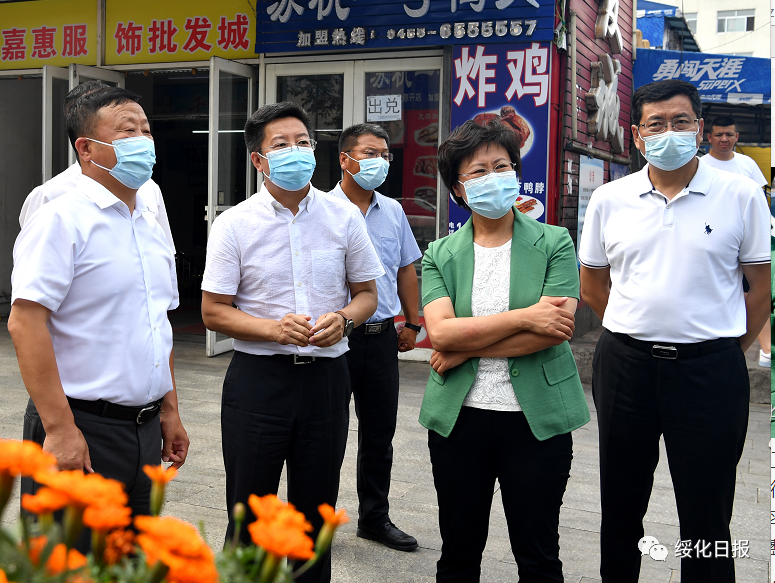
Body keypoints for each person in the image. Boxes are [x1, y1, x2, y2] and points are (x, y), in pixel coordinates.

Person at [579, 80, 770, 582]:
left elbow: (759, 289)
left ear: (700, 129)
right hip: (626, 367)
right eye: (656, 124)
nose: (669, 132)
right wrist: (635, 326)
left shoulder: (741, 195)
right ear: (637, 135)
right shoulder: (610, 199)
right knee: (620, 502)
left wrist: (723, 347)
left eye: (680, 121)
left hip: (710, 372)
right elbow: (593, 285)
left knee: (707, 511)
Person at [200, 102, 384, 583]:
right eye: (280, 144)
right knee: (249, 514)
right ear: (258, 159)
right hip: (259, 384)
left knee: (313, 517)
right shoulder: (234, 223)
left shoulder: (343, 217)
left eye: (302, 142)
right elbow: (213, 310)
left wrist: (344, 320)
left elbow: (367, 295)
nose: (295, 151)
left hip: (326, 381)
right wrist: (272, 329)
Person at [9, 87, 189, 544]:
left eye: (146, 131)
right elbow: (25, 322)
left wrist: (169, 411)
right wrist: (60, 429)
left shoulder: (148, 219)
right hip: (82, 427)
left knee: (129, 560)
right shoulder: (59, 218)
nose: (143, 141)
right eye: (127, 132)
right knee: (70, 563)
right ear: (86, 149)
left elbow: (157, 323)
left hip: (144, 430)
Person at [421, 119, 589, 582]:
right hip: (460, 420)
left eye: (502, 166)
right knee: (458, 553)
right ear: (458, 188)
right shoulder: (439, 254)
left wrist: (469, 346)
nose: (493, 177)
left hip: (536, 421)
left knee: (538, 555)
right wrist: (524, 317)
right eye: (478, 171)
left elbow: (555, 329)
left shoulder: (554, 241)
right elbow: (442, 335)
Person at [328, 123, 422, 552]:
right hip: (336, 339)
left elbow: (405, 267)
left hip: (382, 337)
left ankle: (374, 518)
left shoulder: (393, 211)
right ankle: (318, 519)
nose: (380, 162)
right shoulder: (321, 208)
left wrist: (413, 323)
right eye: (370, 153)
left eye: (385, 154)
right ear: (345, 159)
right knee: (326, 433)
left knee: (379, 434)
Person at [19, 81, 176, 255]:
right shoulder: (50, 198)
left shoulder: (149, 188)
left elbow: (165, 253)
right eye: (129, 129)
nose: (141, 140)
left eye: (146, 131)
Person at [700, 115, 771, 367]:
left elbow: (760, 200)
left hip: (745, 237)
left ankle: (766, 349)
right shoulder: (699, 165)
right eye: (719, 134)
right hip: (710, 237)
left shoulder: (747, 164)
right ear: (708, 137)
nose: (724, 139)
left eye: (729, 134)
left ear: (737, 137)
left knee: (756, 289)